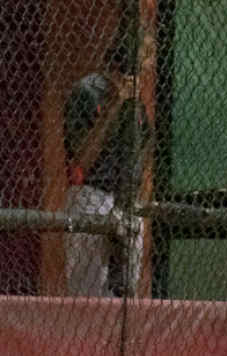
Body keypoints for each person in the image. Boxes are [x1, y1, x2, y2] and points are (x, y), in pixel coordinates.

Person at [63, 28, 154, 297]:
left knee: (125, 290)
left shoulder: (137, 100)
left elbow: (147, 142)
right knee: (87, 290)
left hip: (126, 198)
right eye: (147, 54)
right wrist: (116, 104)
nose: (150, 65)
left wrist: (138, 187)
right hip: (92, 194)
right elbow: (81, 159)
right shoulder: (88, 90)